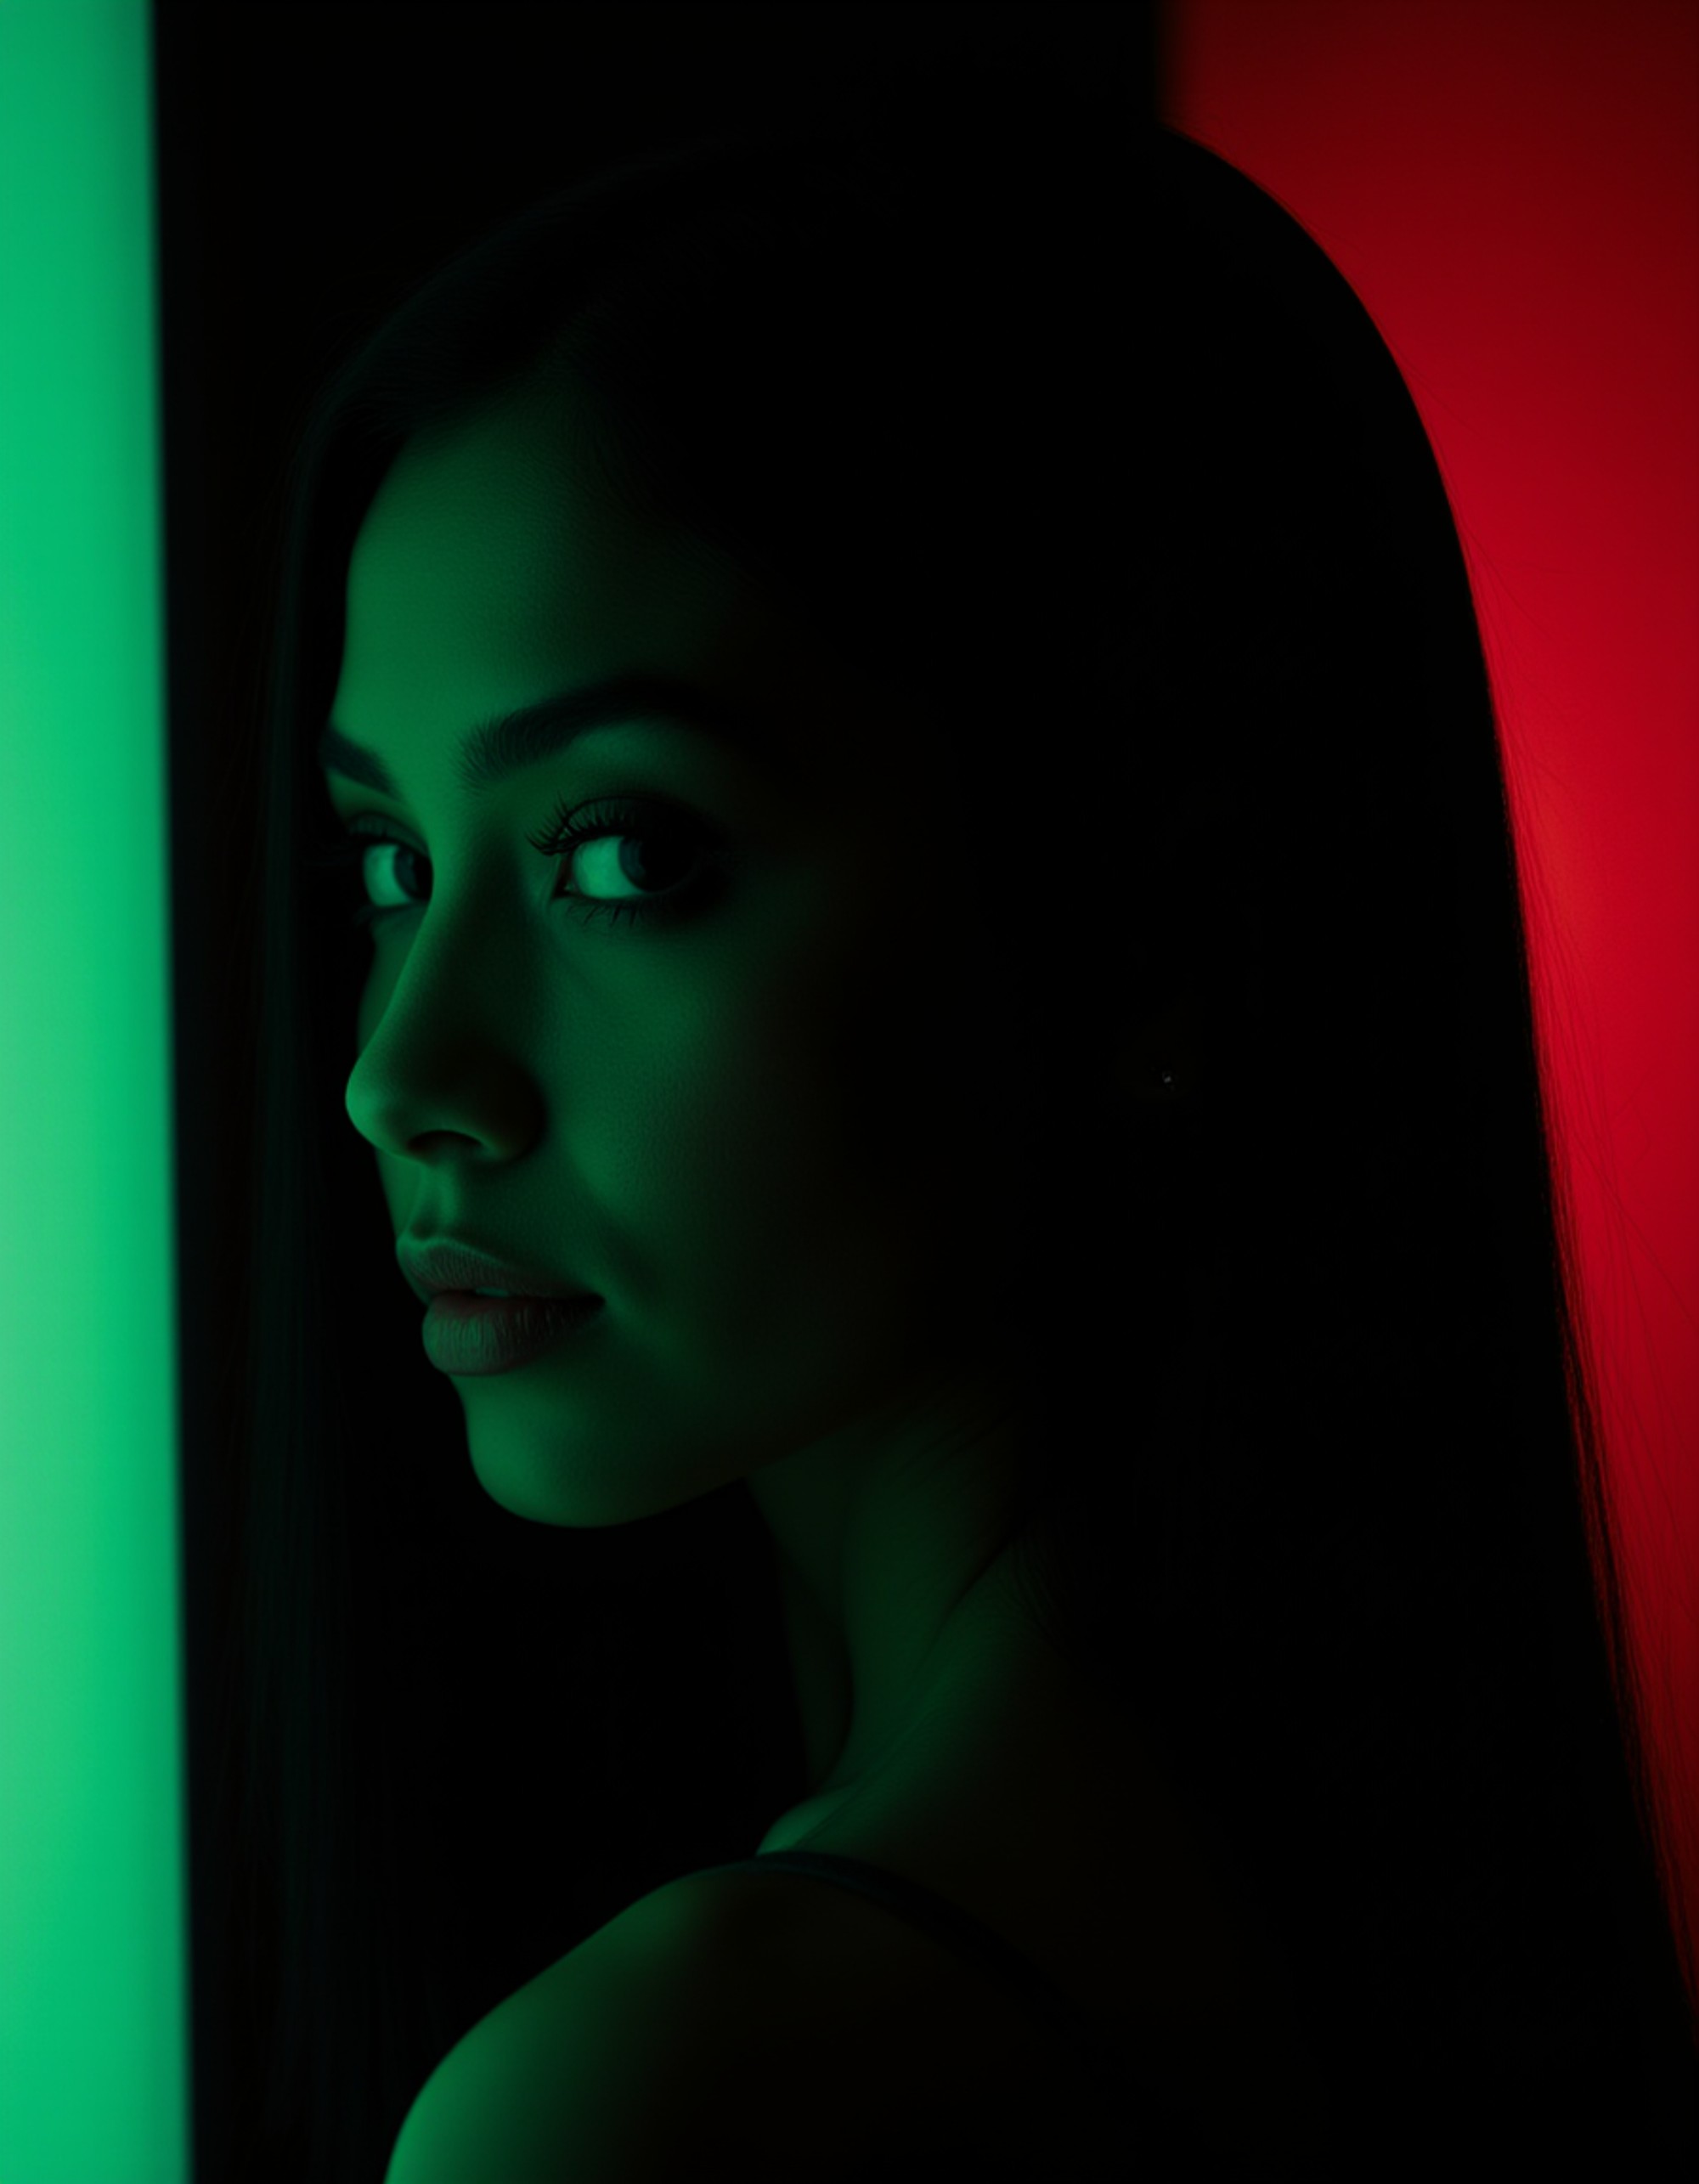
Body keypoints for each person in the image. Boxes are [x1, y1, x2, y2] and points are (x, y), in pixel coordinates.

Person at [209, 54, 1698, 2182]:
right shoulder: (1385, 1932)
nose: (395, 1071)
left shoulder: (671, 2096)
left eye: (622, 854)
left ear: (1146, 924)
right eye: (387, 863)